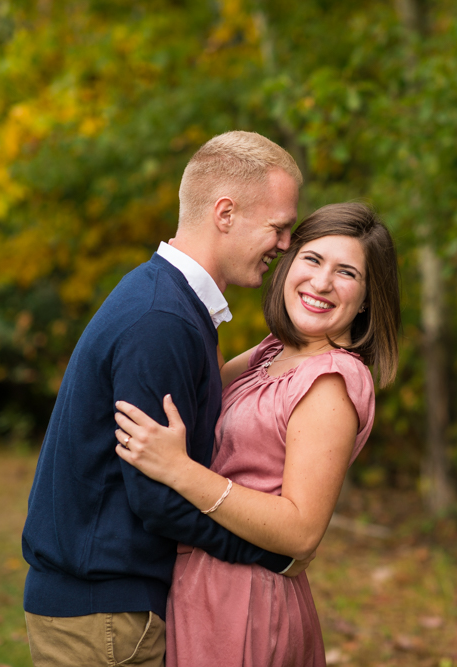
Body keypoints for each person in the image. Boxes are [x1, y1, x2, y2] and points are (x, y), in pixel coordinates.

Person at [21, 131, 308, 667]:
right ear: (225, 213)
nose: (286, 244)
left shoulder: (167, 302)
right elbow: (154, 496)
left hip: (104, 610)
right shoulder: (162, 320)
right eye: (279, 226)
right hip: (104, 618)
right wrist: (267, 553)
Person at [112, 202, 400, 667]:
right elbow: (203, 405)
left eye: (346, 272)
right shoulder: (272, 351)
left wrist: (180, 472)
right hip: (198, 583)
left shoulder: (330, 381)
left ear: (367, 298)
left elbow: (302, 530)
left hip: (242, 600)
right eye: (312, 259)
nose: (322, 282)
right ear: (288, 264)